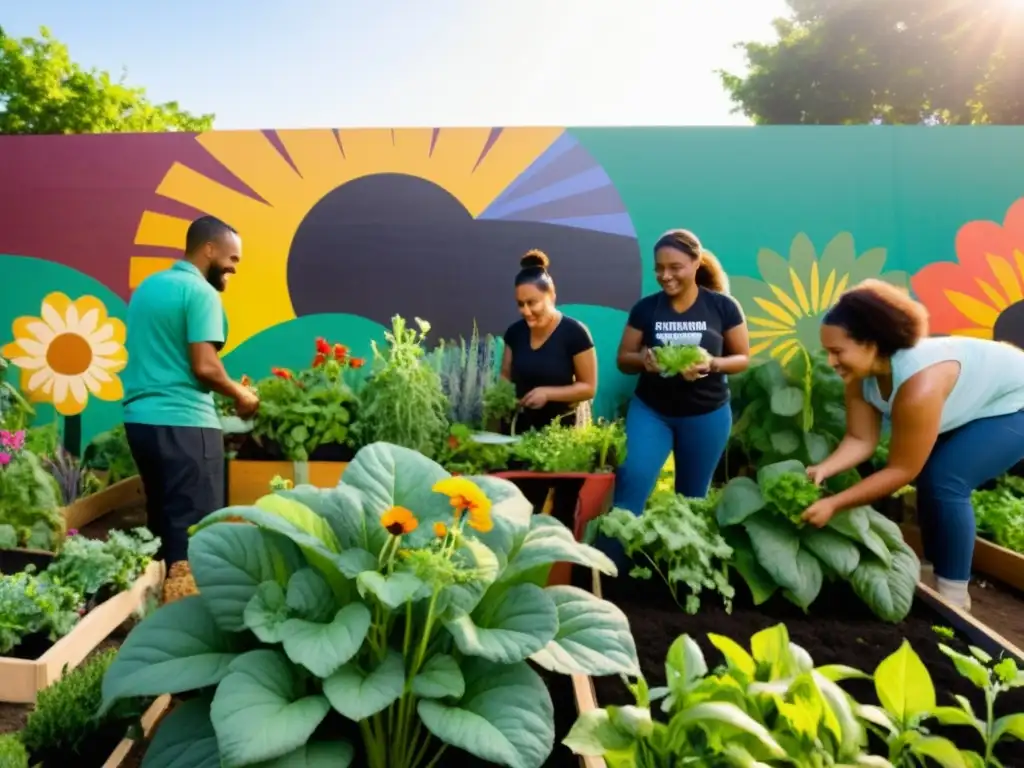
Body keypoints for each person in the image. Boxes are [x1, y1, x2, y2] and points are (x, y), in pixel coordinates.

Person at [802, 279, 1024, 610]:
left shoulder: (918, 385)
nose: (832, 362)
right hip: (974, 400)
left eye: (837, 351)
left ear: (872, 344)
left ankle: (953, 596)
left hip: (1015, 399)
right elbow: (860, 439)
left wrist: (835, 504)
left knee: (946, 479)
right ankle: (937, 571)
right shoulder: (860, 376)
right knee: (934, 477)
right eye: (827, 352)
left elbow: (901, 470)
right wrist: (825, 468)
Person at [122, 215, 259, 603]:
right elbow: (204, 366)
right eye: (232, 259)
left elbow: (169, 360)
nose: (233, 268)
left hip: (141, 423)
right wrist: (242, 396)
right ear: (208, 249)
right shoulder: (200, 293)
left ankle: (152, 615)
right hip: (186, 424)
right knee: (194, 530)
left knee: (162, 522)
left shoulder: (148, 289)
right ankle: (188, 623)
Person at [612, 229, 750, 516]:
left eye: (675, 267)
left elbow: (741, 358)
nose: (665, 275)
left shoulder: (723, 307)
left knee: (691, 501)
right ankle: (614, 558)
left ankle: (678, 559)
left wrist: (712, 363)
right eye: (659, 268)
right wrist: (643, 359)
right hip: (652, 412)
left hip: (706, 415)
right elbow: (624, 359)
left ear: (696, 263)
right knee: (632, 483)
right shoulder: (646, 309)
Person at [501, 250, 597, 521]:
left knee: (562, 514)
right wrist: (504, 398)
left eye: (533, 302)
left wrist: (548, 393)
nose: (526, 311)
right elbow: (506, 375)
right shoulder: (515, 333)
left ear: (551, 295)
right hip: (524, 437)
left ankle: (562, 563)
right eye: (520, 304)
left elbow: (589, 387)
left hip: (564, 438)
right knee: (521, 511)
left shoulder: (575, 333)